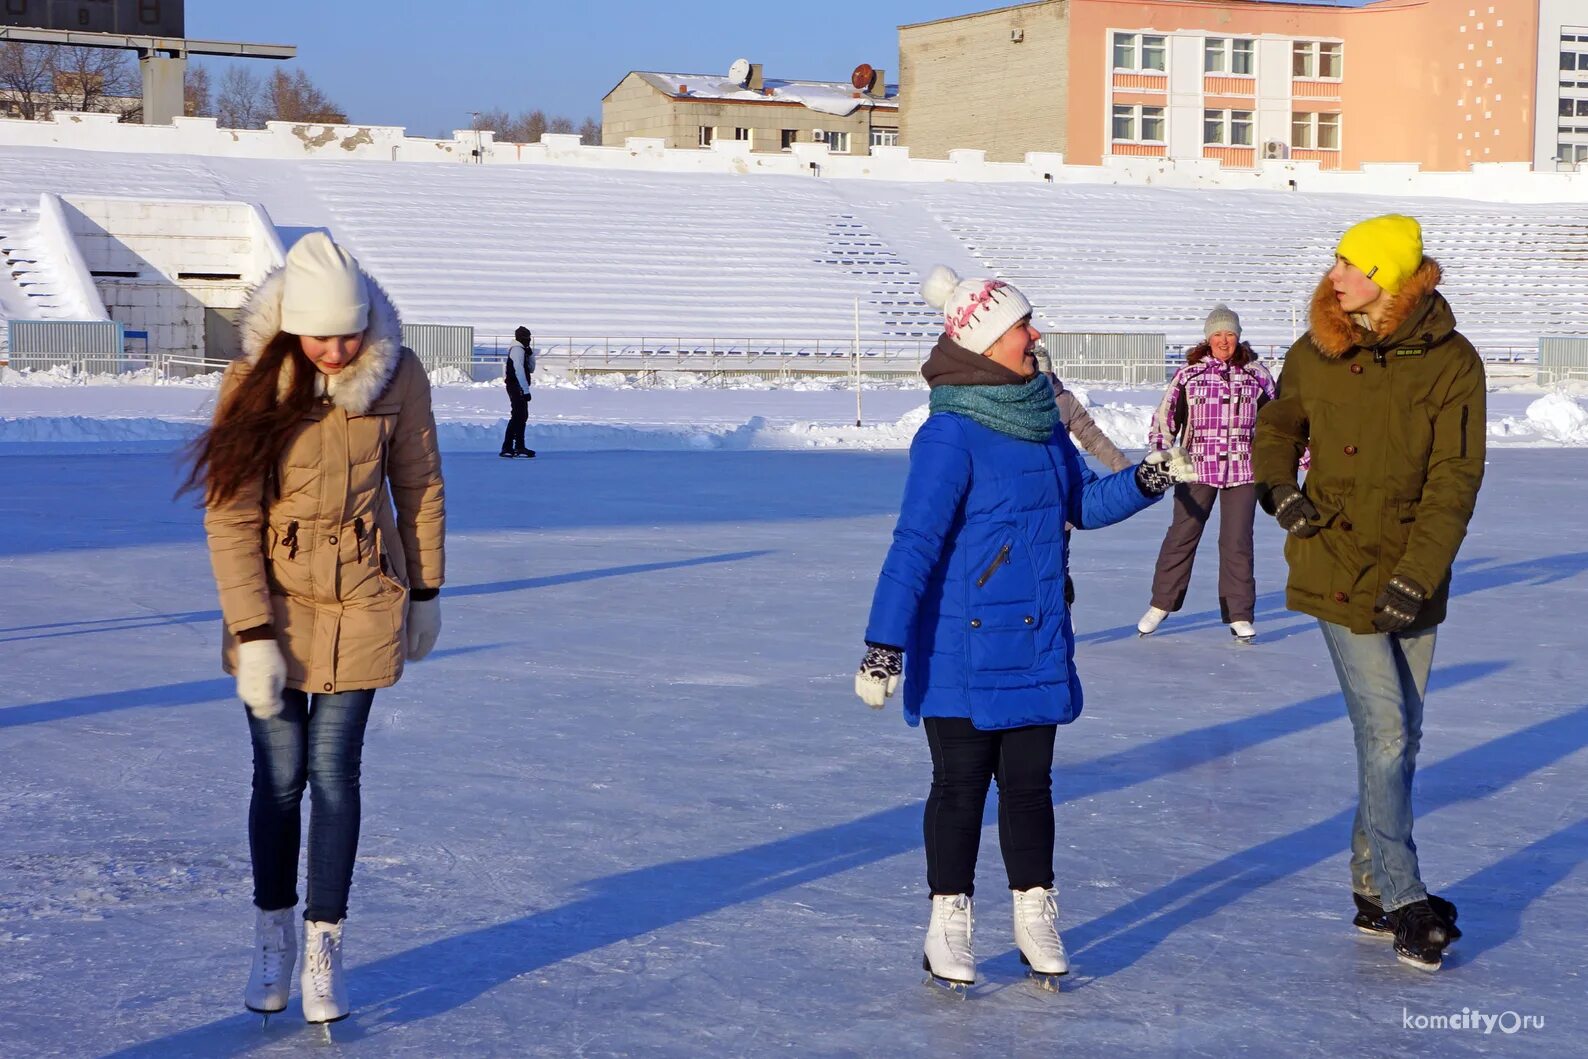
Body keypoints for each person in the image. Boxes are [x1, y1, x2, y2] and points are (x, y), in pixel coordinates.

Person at [855, 266, 1194, 989]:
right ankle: (947, 923)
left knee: (1031, 786)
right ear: (984, 343)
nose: (1035, 335)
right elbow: (913, 542)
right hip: (961, 646)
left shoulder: (1040, 418)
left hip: (1036, 636)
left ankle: (1034, 912)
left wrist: (1149, 478)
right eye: (1021, 326)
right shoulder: (950, 435)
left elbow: (1084, 504)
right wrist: (884, 644)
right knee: (959, 786)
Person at [183, 232, 447, 1022]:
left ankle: (325, 945)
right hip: (277, 607)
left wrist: (427, 589)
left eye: (350, 332)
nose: (336, 349)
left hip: (365, 598)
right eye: (321, 334)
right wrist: (252, 632)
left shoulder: (399, 378)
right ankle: (273, 935)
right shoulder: (253, 385)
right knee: (279, 774)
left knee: (334, 773)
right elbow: (229, 516)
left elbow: (420, 484)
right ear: (293, 326)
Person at [1253, 214, 1484, 973]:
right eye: (1337, 262)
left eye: (1351, 264)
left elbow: (1456, 477)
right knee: (1385, 731)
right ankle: (1402, 894)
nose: (1335, 274)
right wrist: (1280, 488)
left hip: (1415, 571)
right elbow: (1277, 427)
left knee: (1403, 735)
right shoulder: (1315, 351)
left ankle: (1367, 878)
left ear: (1385, 277)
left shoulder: (1453, 363)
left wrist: (1418, 572)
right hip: (1335, 561)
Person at [1136, 305, 1276, 642]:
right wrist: (1162, 454)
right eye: (1218, 334)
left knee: (1238, 541)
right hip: (1197, 467)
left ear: (1238, 336)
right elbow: (1164, 419)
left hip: (1243, 468)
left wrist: (1299, 458)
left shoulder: (1257, 375)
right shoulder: (1189, 375)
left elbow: (1277, 424)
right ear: (1208, 338)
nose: (1224, 340)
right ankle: (1161, 602)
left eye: (1230, 333)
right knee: (1182, 534)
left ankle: (1240, 613)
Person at [500, 325, 536, 458]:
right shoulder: (517, 350)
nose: (529, 340)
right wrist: (525, 390)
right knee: (518, 416)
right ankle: (512, 447)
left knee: (521, 416)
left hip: (518, 386)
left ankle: (514, 446)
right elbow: (519, 371)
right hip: (516, 386)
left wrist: (531, 355)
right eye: (527, 338)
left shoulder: (522, 350)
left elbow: (530, 369)